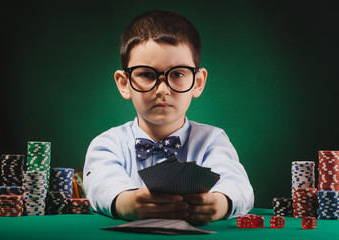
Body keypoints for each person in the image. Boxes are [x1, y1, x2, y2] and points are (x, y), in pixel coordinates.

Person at [83, 10, 254, 226]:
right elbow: (101, 184)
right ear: (124, 84)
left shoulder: (213, 139)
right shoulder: (106, 144)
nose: (163, 90)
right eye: (146, 74)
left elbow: (237, 184)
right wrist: (127, 203)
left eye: (178, 73)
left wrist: (218, 203)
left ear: (198, 82)